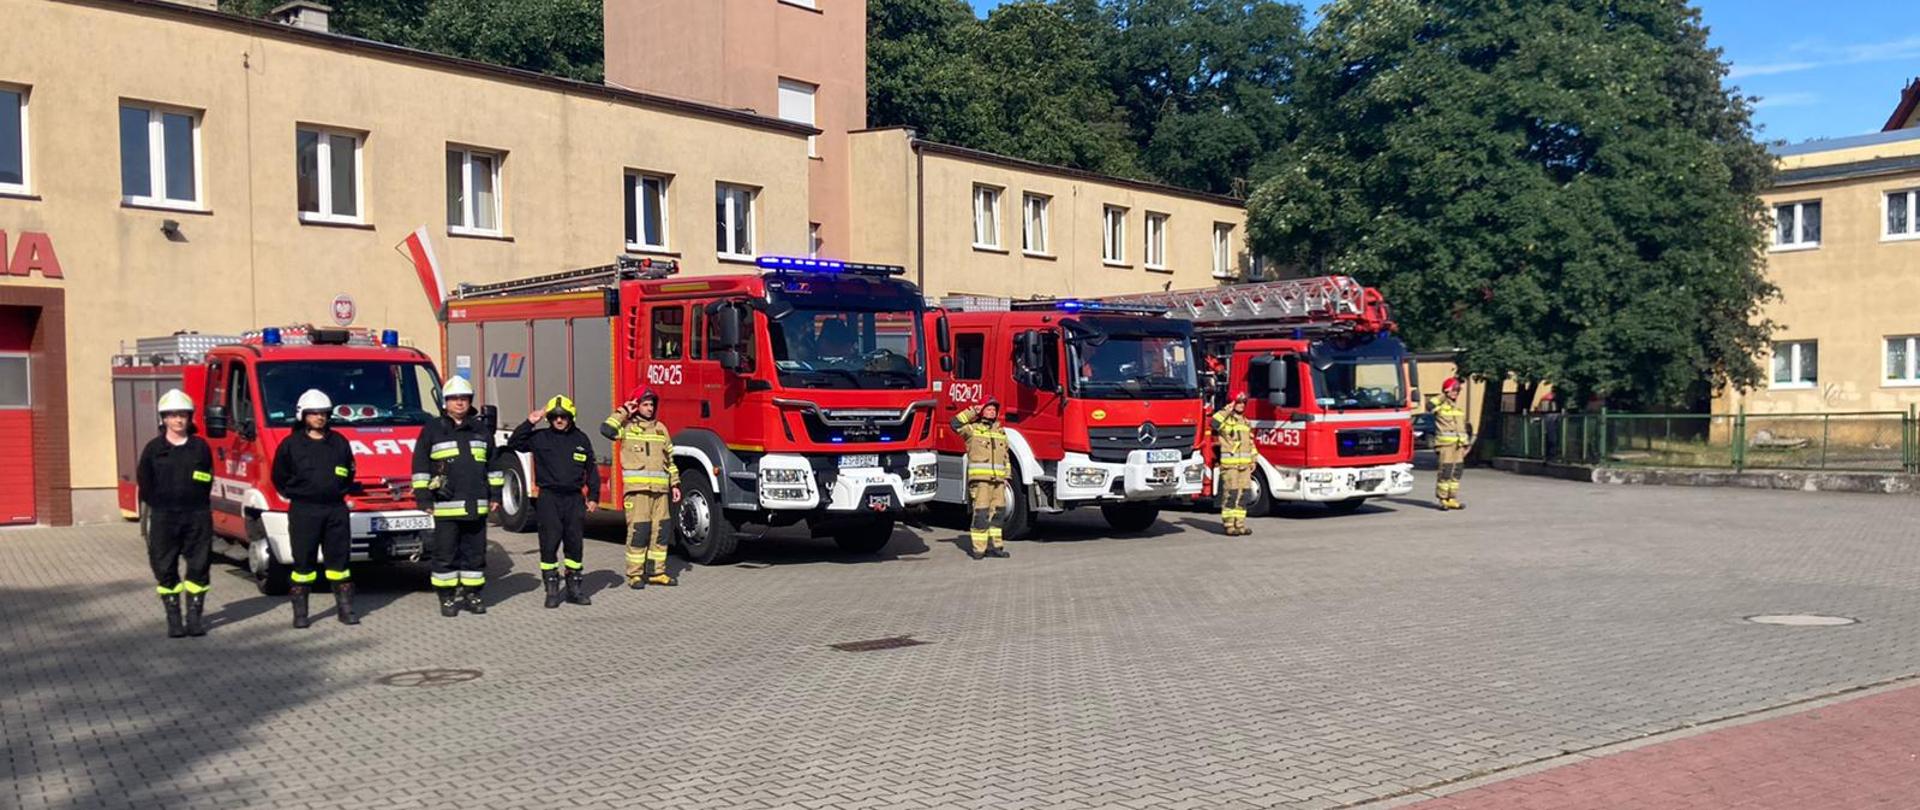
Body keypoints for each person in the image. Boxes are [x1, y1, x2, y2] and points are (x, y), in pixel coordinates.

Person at [412, 376, 502, 617]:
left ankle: (473, 594)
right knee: (446, 554)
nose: (460, 403)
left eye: (464, 398)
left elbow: (493, 464)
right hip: (445, 507)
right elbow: (420, 464)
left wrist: (496, 494)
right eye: (454, 399)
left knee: (475, 554)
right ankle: (448, 598)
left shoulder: (481, 430)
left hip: (476, 504)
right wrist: (423, 498)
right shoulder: (432, 429)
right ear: (445, 402)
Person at [270, 388, 358, 628]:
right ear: (303, 415)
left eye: (324, 413)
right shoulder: (290, 445)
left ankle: (345, 609)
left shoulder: (339, 442)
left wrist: (338, 489)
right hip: (304, 510)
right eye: (314, 413)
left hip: (335, 510)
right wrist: (297, 494)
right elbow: (279, 476)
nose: (320, 418)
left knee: (339, 562)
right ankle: (301, 614)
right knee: (303, 564)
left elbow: (349, 472)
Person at [508, 394, 601, 608]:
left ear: (571, 417)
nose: (559, 420)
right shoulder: (540, 437)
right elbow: (515, 442)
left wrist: (593, 496)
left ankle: (574, 589)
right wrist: (530, 422)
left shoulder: (581, 439)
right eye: (555, 417)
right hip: (549, 498)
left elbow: (591, 470)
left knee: (574, 544)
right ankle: (551, 590)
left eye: (563, 417)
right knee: (549, 544)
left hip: (574, 499)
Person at [138, 388, 215, 638]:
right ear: (163, 419)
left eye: (182, 415)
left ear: (190, 417)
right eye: (172, 416)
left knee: (199, 566)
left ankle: (194, 618)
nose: (178, 420)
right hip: (164, 516)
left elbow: (207, 478)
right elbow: (145, 482)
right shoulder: (153, 449)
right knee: (164, 565)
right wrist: (161, 503)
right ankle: (174, 619)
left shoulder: (200, 447)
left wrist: (194, 497)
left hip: (197, 515)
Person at [602, 387, 680, 589]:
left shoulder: (661, 429)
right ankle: (635, 574)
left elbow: (670, 460)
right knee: (639, 531)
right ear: (637, 406)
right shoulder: (627, 428)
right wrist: (624, 411)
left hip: (660, 492)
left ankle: (657, 572)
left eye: (652, 404)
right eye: (645, 404)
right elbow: (606, 429)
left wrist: (675, 484)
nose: (649, 408)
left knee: (660, 532)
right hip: (637, 492)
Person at [952, 399, 1012, 559]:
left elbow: (1006, 457)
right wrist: (973, 410)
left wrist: (1007, 476)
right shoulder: (972, 430)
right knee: (981, 514)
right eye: (988, 409)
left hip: (998, 481)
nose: (992, 412)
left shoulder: (1000, 432)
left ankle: (996, 547)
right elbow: (955, 423)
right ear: (982, 411)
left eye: (994, 409)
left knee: (998, 515)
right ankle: (979, 549)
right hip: (981, 481)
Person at [1211, 391, 1257, 536]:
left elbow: (1251, 443)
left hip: (1244, 466)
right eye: (1238, 402)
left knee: (1243, 495)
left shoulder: (1246, 422)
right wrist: (1226, 410)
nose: (1241, 405)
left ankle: (1240, 525)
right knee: (1231, 494)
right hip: (1230, 466)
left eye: (1243, 403)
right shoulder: (1225, 420)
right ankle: (1229, 525)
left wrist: (1253, 460)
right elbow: (1213, 423)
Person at [1429, 377, 1473, 510]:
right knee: (1445, 472)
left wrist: (1466, 445)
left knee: (1457, 472)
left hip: (1459, 446)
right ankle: (1443, 499)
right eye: (1454, 390)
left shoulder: (1458, 409)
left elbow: (1462, 429)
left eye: (1458, 390)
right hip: (1445, 446)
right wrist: (1444, 394)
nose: (1456, 393)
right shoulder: (1439, 407)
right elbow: (1429, 405)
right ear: (1447, 391)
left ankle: (1452, 498)